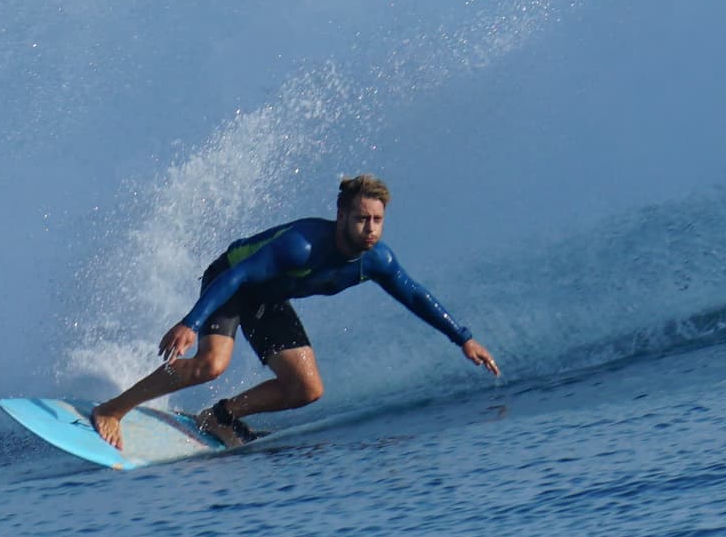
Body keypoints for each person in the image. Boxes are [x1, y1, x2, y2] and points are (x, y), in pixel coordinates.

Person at [89, 173, 499, 450]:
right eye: (361, 219)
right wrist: (191, 322)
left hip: (267, 297)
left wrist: (463, 338)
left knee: (307, 389)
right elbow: (239, 277)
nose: (370, 229)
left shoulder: (376, 261)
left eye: (377, 220)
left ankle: (219, 417)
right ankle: (112, 408)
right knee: (211, 365)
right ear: (341, 216)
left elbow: (414, 295)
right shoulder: (302, 245)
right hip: (234, 279)